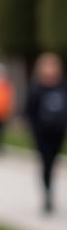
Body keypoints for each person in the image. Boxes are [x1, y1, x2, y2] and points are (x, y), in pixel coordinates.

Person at [23, 52, 67, 216]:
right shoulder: (36, 88)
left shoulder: (62, 86)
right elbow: (29, 110)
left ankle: (50, 190)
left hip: (58, 131)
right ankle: (48, 195)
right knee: (46, 162)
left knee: (53, 162)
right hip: (41, 133)